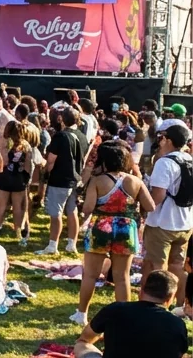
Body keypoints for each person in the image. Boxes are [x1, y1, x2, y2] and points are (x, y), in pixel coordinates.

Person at [76, 269, 187, 358]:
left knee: (81, 345)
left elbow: (86, 337)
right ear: (170, 299)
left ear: (141, 291)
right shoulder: (177, 324)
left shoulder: (115, 309)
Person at [75, 141, 154, 324]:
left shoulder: (97, 181)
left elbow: (87, 208)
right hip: (126, 228)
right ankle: (124, 316)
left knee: (91, 275)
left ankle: (82, 314)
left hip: (101, 227)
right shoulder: (135, 181)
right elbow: (150, 205)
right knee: (122, 276)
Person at [143, 122, 193, 303]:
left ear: (168, 140)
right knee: (179, 266)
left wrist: (143, 209)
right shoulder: (189, 159)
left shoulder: (165, 163)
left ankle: (157, 303)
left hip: (162, 222)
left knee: (157, 266)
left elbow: (158, 195)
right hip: (186, 222)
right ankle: (179, 302)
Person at [37, 107, 89, 255]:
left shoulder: (60, 136)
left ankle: (53, 245)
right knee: (72, 211)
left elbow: (51, 159)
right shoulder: (83, 136)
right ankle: (71, 244)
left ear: (62, 119)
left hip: (60, 178)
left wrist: (45, 172)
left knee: (56, 213)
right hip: (75, 179)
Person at [0, 119, 37, 246]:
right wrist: (27, 178)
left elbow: (4, 161)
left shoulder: (3, 142)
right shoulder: (26, 145)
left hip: (4, 176)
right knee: (18, 207)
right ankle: (18, 233)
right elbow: (28, 164)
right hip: (19, 178)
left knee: (0, 207)